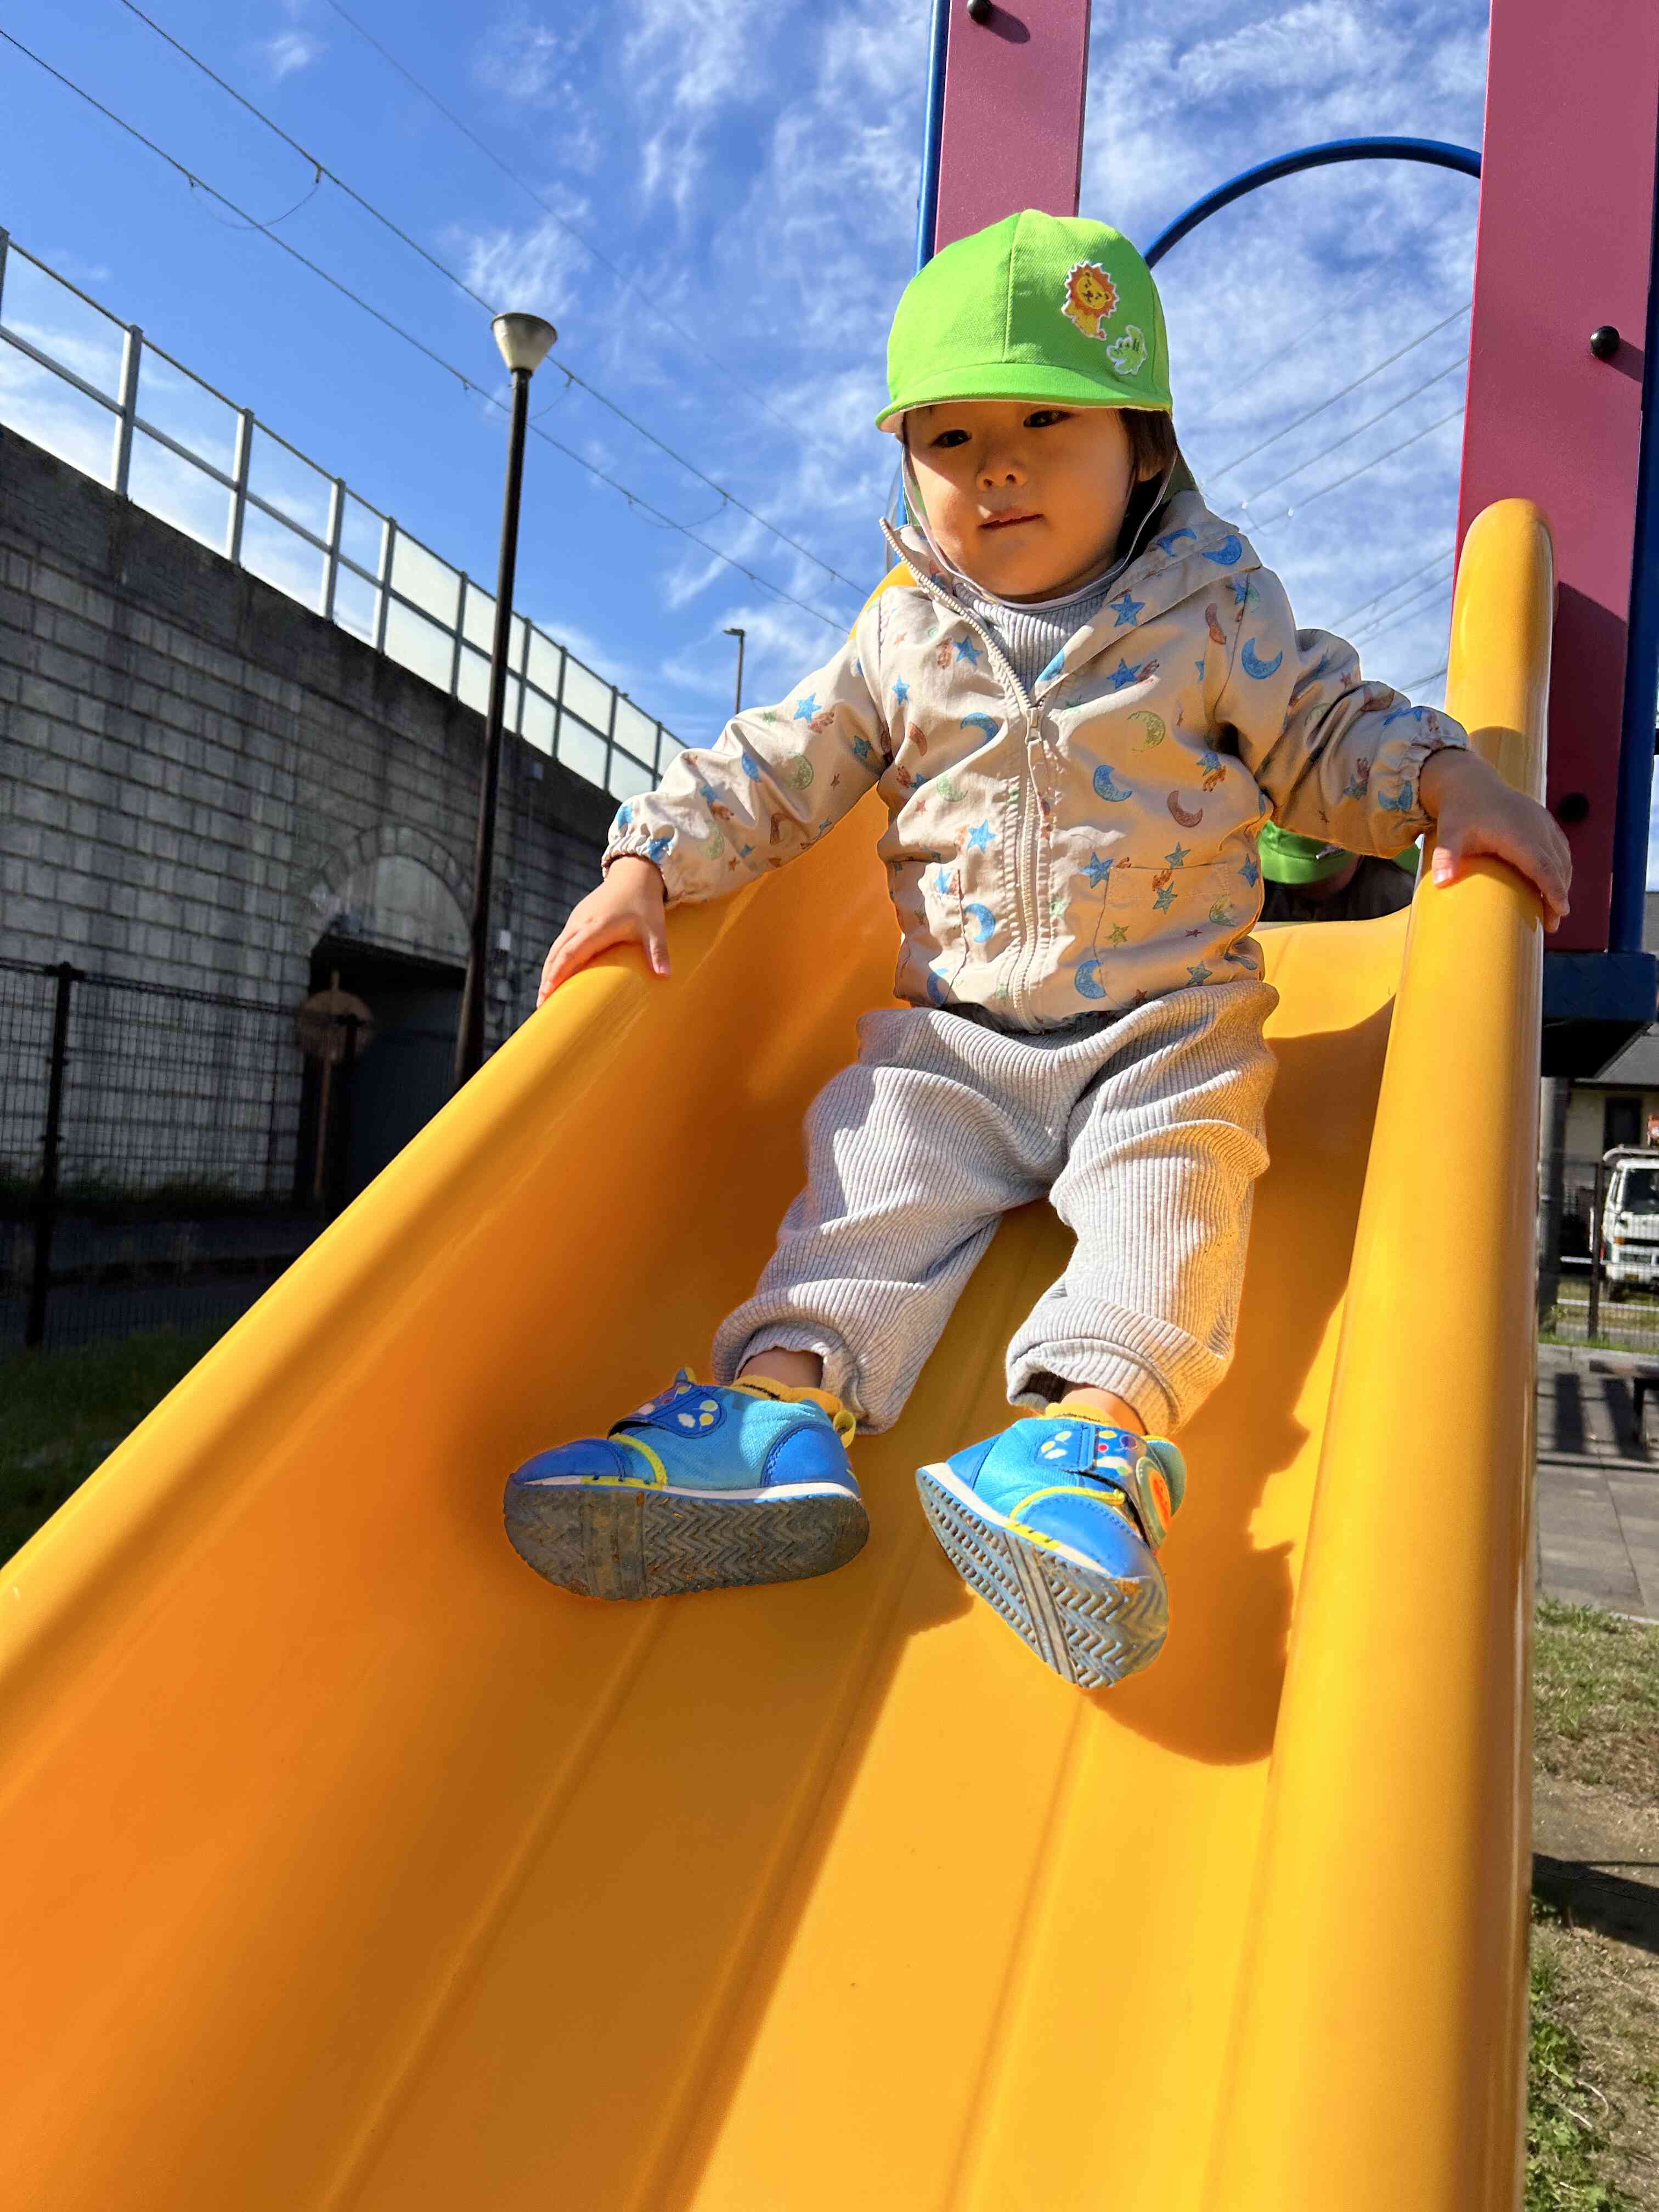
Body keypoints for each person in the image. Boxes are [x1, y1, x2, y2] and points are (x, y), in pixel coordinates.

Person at [505, 211, 1570, 1690]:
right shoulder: (900, 635)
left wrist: (1446, 782)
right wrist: (645, 864)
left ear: (1144, 445)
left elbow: (1327, 726)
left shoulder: (1212, 609)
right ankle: (775, 1415)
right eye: (948, 436)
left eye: (1042, 420)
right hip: (951, 1036)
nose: (993, 463)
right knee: (861, 1191)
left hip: (1163, 1026)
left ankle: (1077, 1450)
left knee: (1174, 1203)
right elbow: (775, 764)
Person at [1257, 820, 1418, 922]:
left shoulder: (1398, 897)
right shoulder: (1255, 890)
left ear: (1361, 853)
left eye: (1315, 878)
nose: (1294, 886)